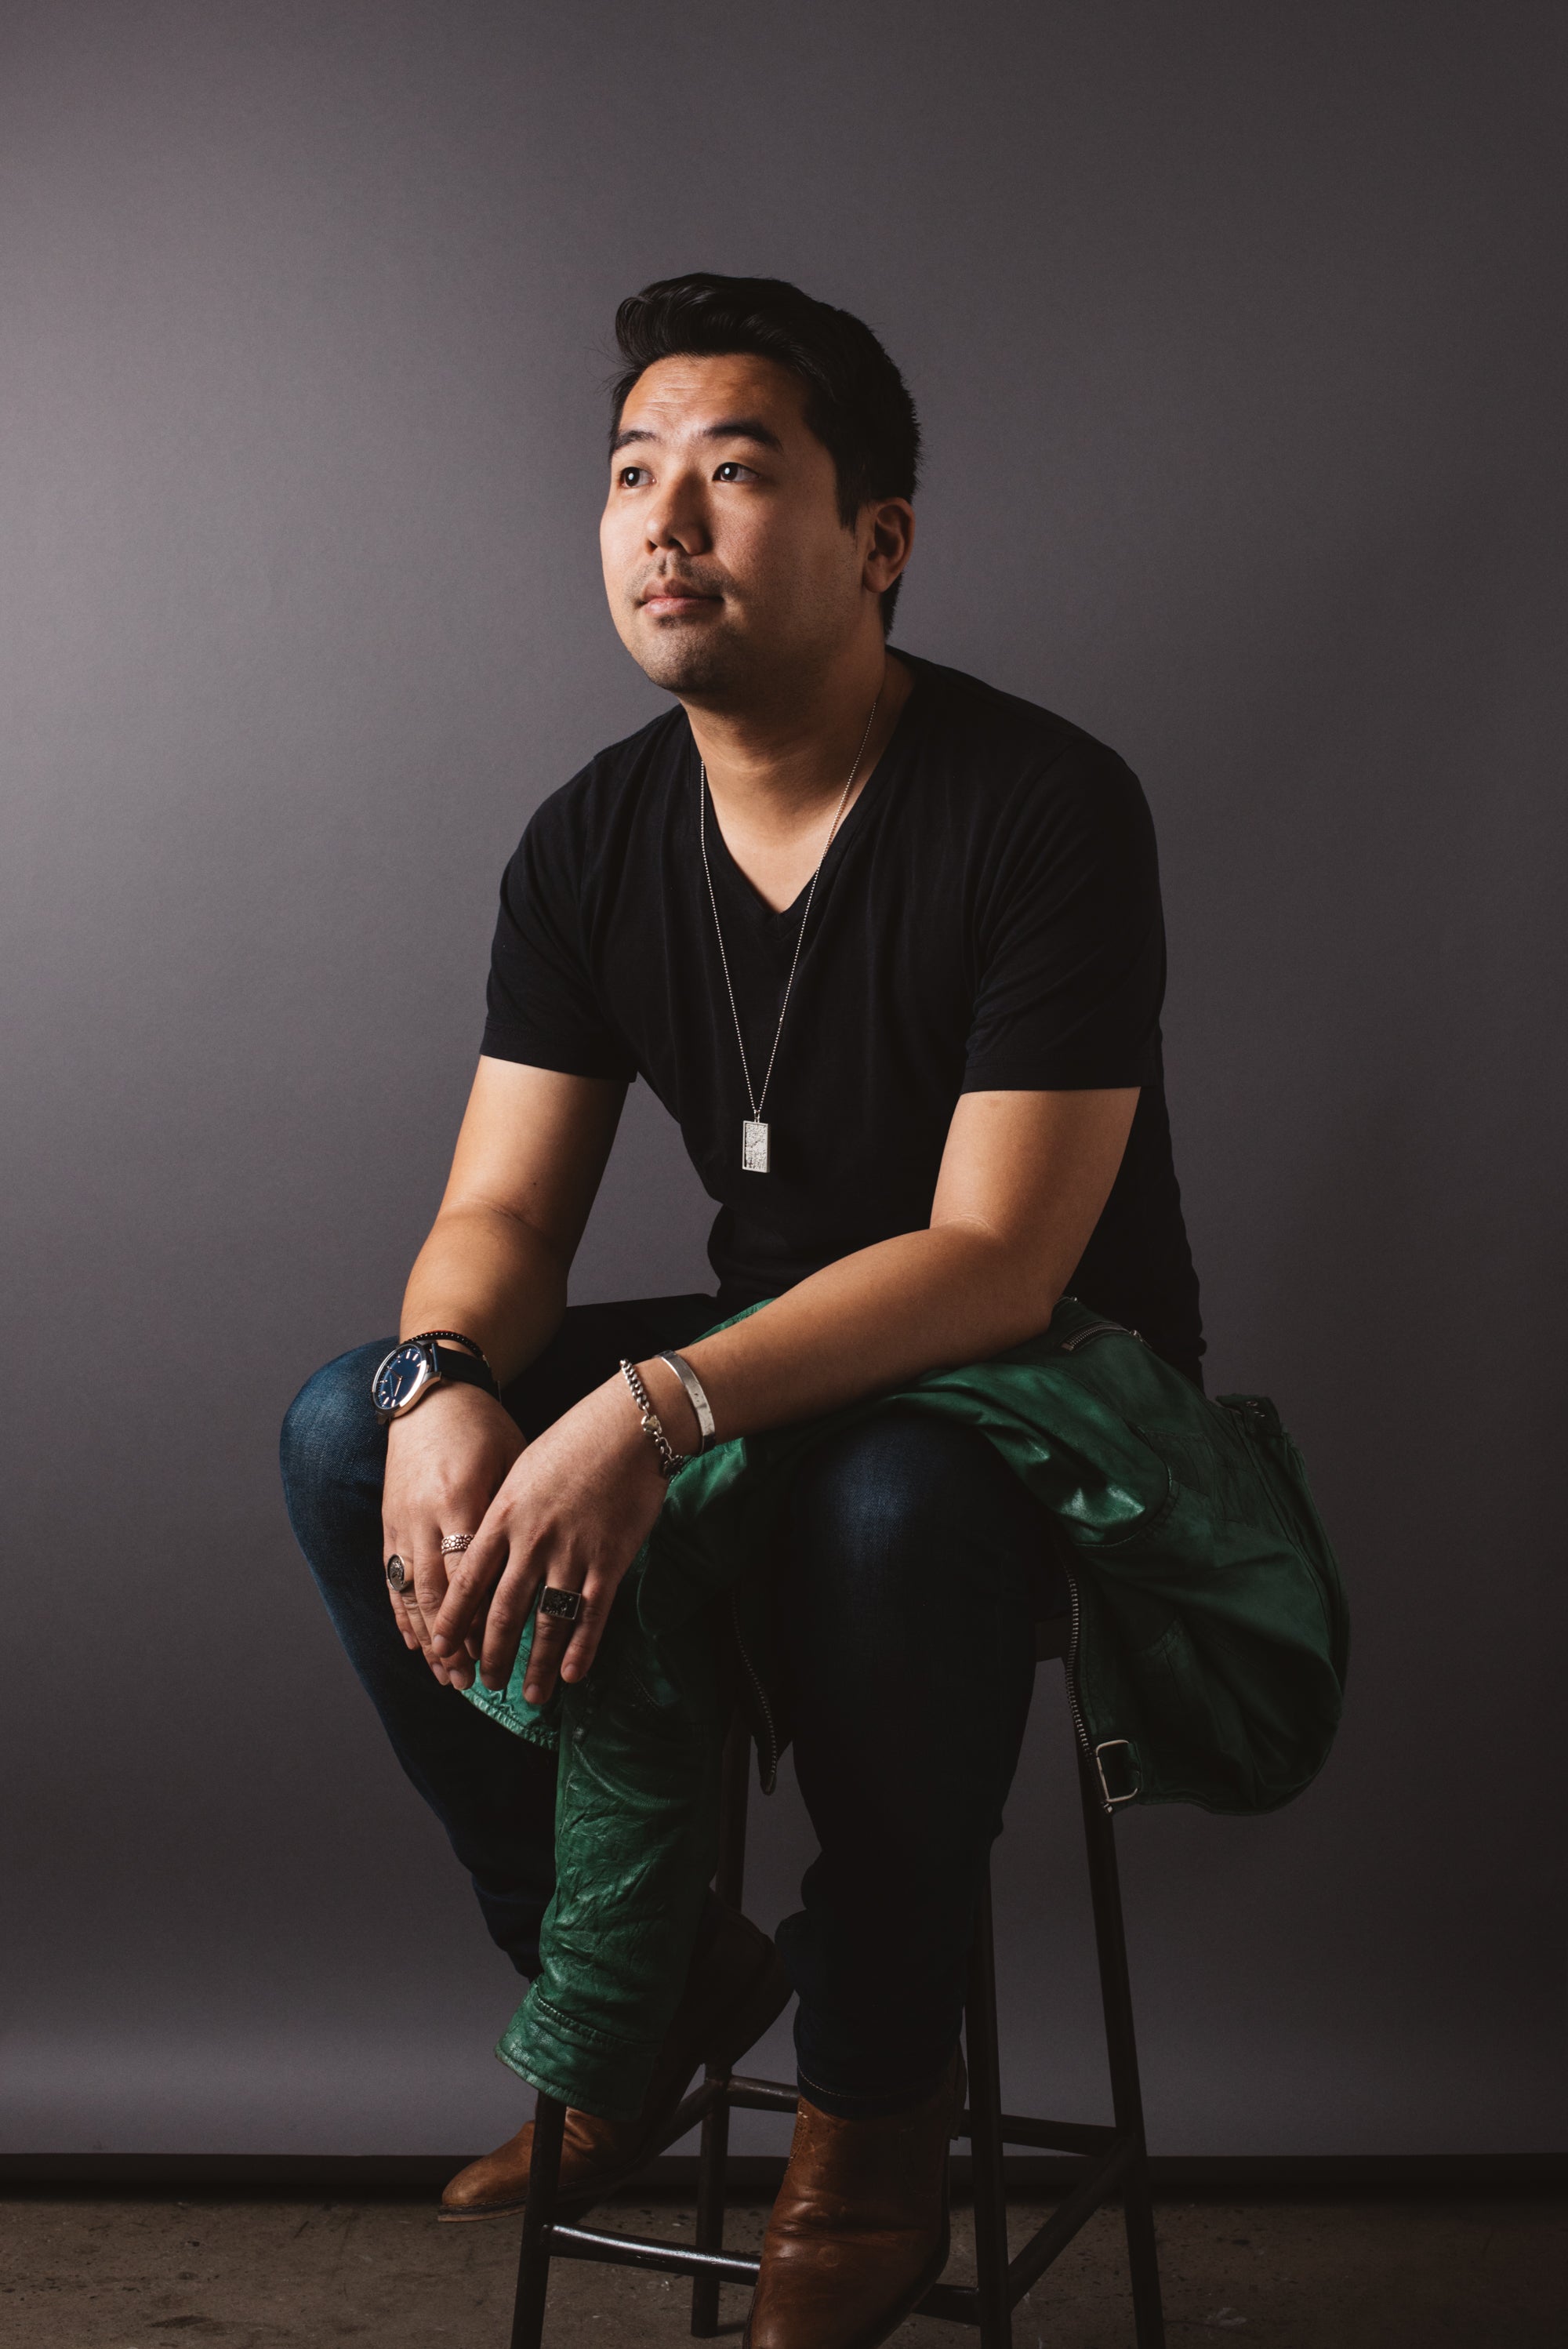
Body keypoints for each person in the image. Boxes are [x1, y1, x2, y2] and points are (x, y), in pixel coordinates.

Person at [281, 271, 1203, 2349]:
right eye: (631, 475)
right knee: (345, 1430)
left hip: (1049, 1384)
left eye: (734, 470)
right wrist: (446, 1378)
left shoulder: (1043, 803)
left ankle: (874, 2107)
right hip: (768, 1357)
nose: (665, 522)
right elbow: (502, 1208)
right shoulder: (593, 837)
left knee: (885, 1510)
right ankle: (635, 1978)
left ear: (880, 538)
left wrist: (645, 1413)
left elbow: (998, 1259)